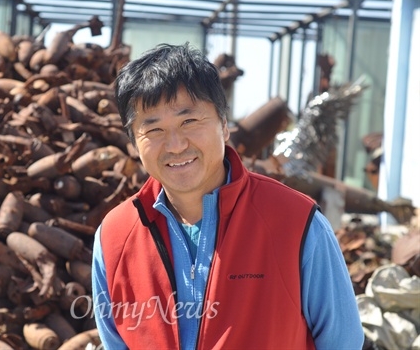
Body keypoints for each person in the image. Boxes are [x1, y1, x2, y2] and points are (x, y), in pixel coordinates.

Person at [91, 42, 364, 349]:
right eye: (153, 130)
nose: (176, 144)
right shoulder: (113, 237)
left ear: (224, 125)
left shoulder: (297, 223)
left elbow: (343, 342)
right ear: (133, 142)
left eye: (189, 121)